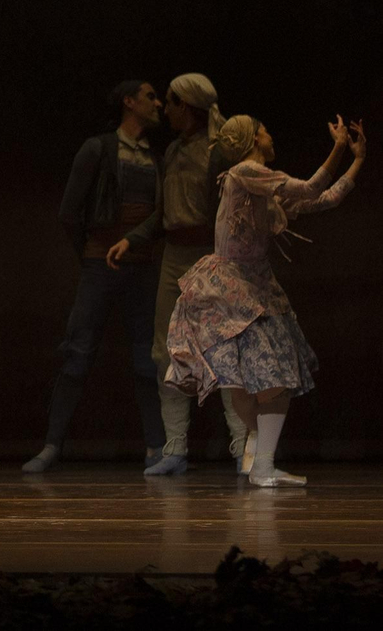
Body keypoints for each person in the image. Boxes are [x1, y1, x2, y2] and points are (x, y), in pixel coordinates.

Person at [166, 114, 364, 487]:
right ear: (255, 138)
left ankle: (260, 459)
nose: (272, 137)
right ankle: (262, 462)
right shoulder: (245, 171)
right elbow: (310, 185)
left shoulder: (264, 189)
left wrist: (357, 160)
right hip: (233, 289)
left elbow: (322, 198)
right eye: (266, 131)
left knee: (254, 383)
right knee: (260, 382)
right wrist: (339, 147)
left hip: (255, 287)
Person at [105, 75, 249, 475]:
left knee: (226, 351)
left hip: (212, 256)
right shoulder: (171, 150)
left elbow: (237, 207)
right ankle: (175, 449)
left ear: (187, 105)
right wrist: (132, 239)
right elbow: (163, 211)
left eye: (170, 101)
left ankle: (244, 449)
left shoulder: (219, 151)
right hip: (174, 257)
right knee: (166, 351)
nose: (164, 108)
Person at [23, 81, 166, 473]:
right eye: (150, 96)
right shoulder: (99, 148)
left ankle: (157, 447)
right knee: (77, 353)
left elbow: (162, 213)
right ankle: (52, 445)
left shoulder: (156, 158)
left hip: (142, 267)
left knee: (148, 359)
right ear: (128, 102)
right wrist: (92, 254)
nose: (157, 103)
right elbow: (69, 212)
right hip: (100, 265)